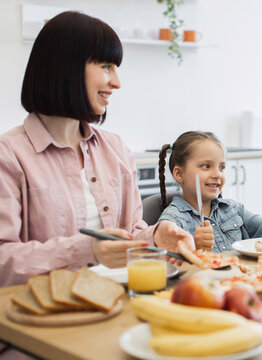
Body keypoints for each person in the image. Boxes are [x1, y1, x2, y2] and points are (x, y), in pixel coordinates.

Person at [0, 11, 194, 289]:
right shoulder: (9, 156)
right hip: (46, 318)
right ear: (66, 67)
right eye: (106, 66)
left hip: (117, 299)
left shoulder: (116, 150)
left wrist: (156, 236)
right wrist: (87, 249)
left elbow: (129, 234)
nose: (116, 82)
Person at [156, 131, 262, 251]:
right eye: (206, 166)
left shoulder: (233, 209)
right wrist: (193, 245)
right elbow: (167, 264)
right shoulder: (172, 221)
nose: (217, 174)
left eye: (221, 167)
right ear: (179, 174)